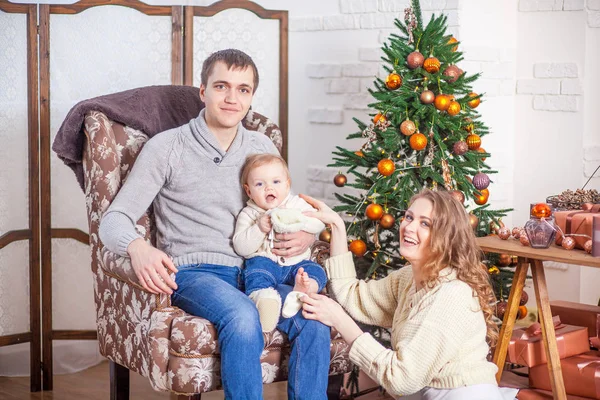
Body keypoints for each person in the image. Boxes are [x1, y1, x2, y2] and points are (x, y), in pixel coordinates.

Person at [99, 49, 331, 400]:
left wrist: (300, 233)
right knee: (241, 317)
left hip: (259, 272)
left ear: (251, 97)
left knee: (314, 319)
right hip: (196, 273)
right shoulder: (167, 147)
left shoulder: (260, 145)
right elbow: (113, 220)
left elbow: (289, 207)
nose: (232, 98)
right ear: (203, 92)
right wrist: (138, 247)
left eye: (243, 89)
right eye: (221, 86)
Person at [299, 189, 519, 400]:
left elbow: (401, 378)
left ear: (446, 236)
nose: (409, 227)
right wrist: (337, 226)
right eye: (409, 217)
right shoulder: (408, 278)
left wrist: (338, 319)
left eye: (425, 223)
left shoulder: (451, 294)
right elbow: (353, 297)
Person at [233, 153, 327, 333]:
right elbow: (241, 247)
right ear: (248, 191)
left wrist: (300, 222)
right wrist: (259, 228)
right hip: (265, 262)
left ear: (287, 184)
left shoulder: (296, 204)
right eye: (260, 184)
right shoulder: (250, 214)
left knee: (316, 271)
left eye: (276, 182)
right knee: (255, 274)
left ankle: (305, 289)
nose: (269, 188)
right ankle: (264, 301)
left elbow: (319, 222)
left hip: (296, 263)